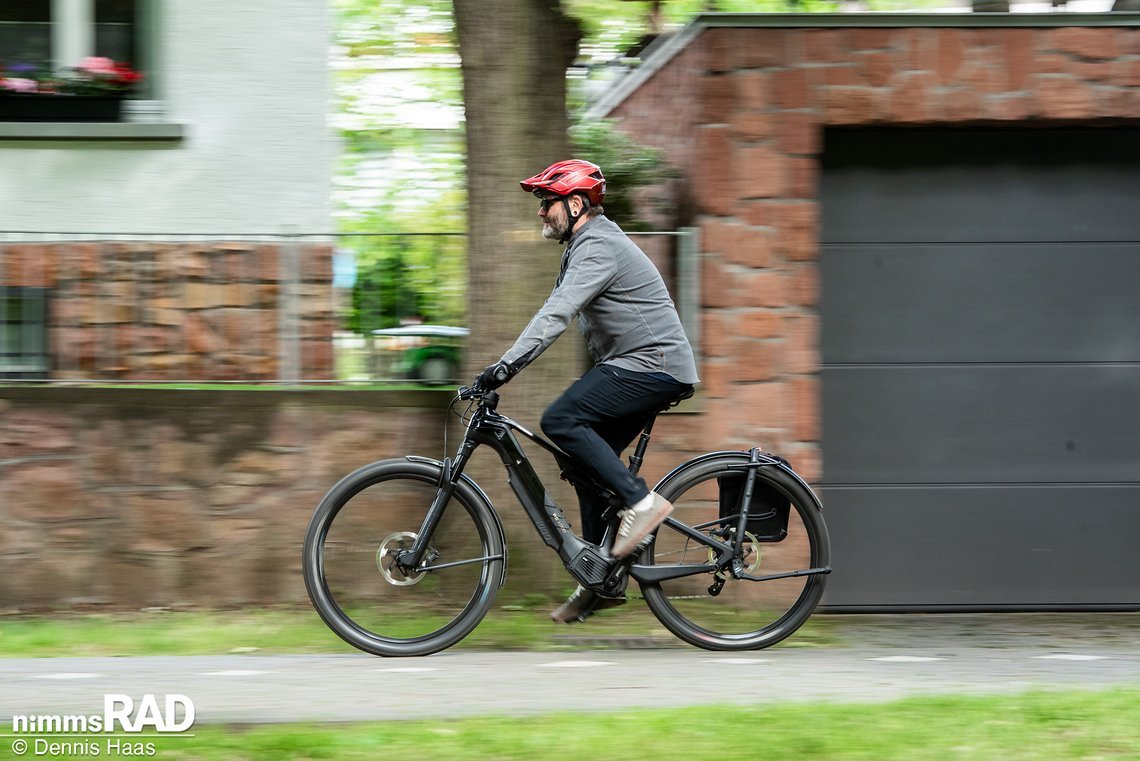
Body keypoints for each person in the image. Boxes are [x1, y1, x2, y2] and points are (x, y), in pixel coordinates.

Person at [472, 158, 699, 623]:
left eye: (547, 203)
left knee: (560, 419)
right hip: (640, 366)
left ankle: (641, 502)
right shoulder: (586, 246)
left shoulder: (598, 247)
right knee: (584, 467)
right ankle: (601, 579)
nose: (540, 213)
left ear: (575, 204)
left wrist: (505, 367)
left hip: (650, 367)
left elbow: (557, 312)